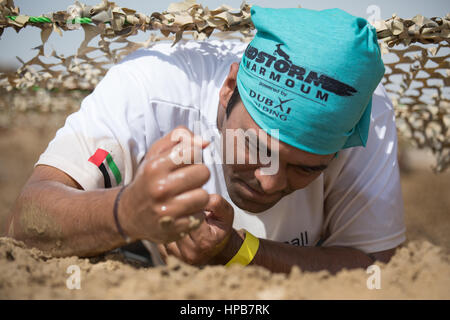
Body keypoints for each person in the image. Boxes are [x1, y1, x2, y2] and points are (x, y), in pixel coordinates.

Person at [6, 6, 405, 274]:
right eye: (256, 147)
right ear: (228, 90)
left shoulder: (363, 119)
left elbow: (379, 268)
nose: (268, 181)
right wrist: (126, 212)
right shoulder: (151, 86)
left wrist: (239, 251)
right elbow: (26, 223)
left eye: (306, 168)